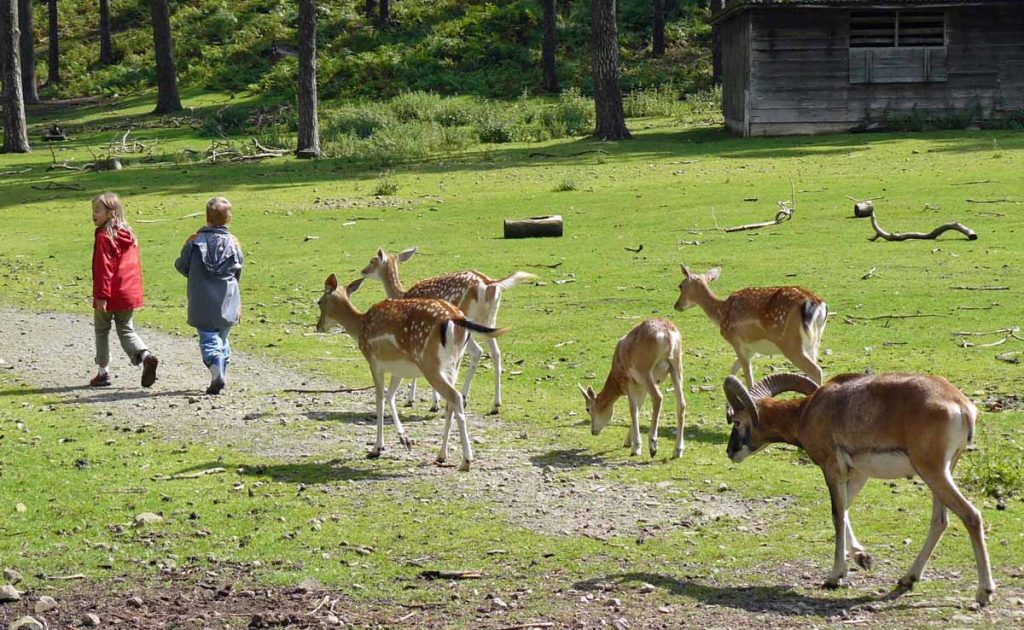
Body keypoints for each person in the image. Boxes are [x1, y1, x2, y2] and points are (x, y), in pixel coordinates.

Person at [174, 197, 243, 395]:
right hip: (229, 301)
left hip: (201, 300)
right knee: (223, 337)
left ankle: (216, 373)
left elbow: (181, 265)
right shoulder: (235, 244)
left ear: (206, 217)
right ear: (229, 219)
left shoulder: (194, 242)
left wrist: (195, 275)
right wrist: (239, 303)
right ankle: (221, 372)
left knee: (208, 338)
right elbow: (237, 273)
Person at [90, 192, 159, 387]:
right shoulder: (129, 233)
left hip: (109, 292)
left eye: (97, 210)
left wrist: (101, 296)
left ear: (111, 213)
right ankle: (145, 355)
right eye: (93, 210)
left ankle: (102, 372)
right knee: (126, 329)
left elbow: (104, 268)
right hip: (128, 292)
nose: (93, 214)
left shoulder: (105, 236)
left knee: (102, 330)